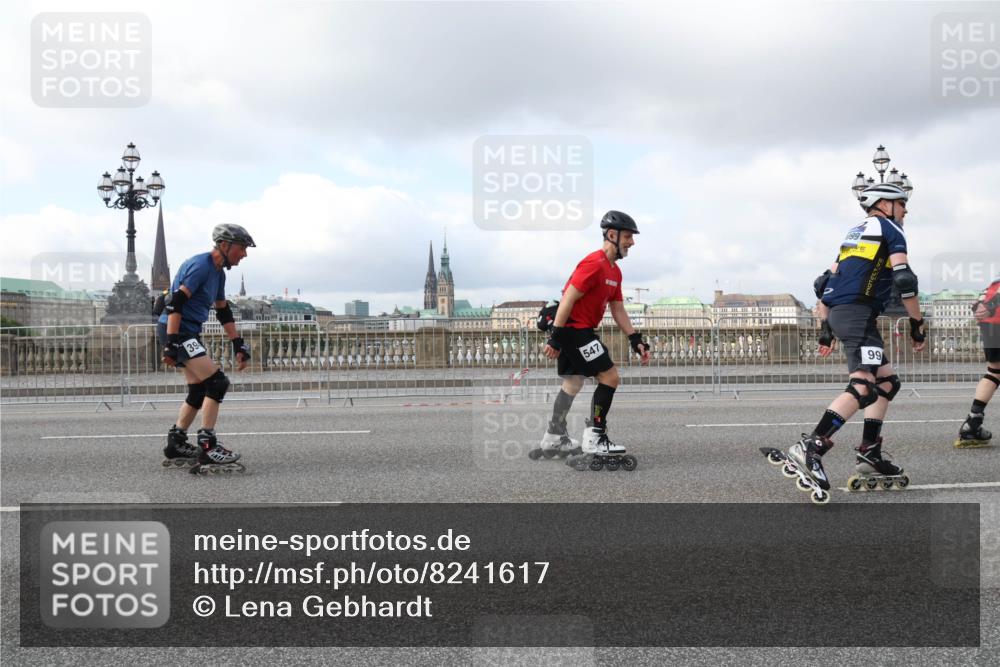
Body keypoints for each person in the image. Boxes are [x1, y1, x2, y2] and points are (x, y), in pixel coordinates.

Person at [794, 182, 927, 492]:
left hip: (847, 313)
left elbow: (824, 282)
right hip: (856, 314)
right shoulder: (891, 229)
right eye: (902, 203)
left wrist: (826, 328)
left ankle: (869, 450)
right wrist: (917, 323)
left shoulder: (854, 232)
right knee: (863, 385)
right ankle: (812, 445)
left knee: (887, 382)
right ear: (885, 204)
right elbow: (904, 279)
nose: (905, 210)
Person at [536, 210, 651, 470]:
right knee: (610, 377)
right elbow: (568, 299)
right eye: (628, 237)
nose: (632, 242)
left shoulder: (615, 272)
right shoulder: (593, 263)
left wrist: (634, 338)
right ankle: (595, 436)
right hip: (575, 330)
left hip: (576, 330)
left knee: (573, 382)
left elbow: (618, 308)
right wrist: (555, 338)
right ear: (612, 235)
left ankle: (554, 436)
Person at [157, 223, 255, 471]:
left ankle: (176, 442)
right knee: (217, 382)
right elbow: (176, 302)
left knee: (199, 390)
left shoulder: (219, 273)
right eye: (242, 248)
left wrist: (237, 343)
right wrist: (171, 343)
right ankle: (208, 446)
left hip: (187, 331)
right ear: (224, 245)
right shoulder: (201, 265)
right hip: (177, 330)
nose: (244, 254)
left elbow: (223, 310)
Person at [956, 277, 1000, 447]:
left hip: (989, 323)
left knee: (994, 372)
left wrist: (982, 307)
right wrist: (989, 307)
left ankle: (973, 423)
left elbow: (978, 302)